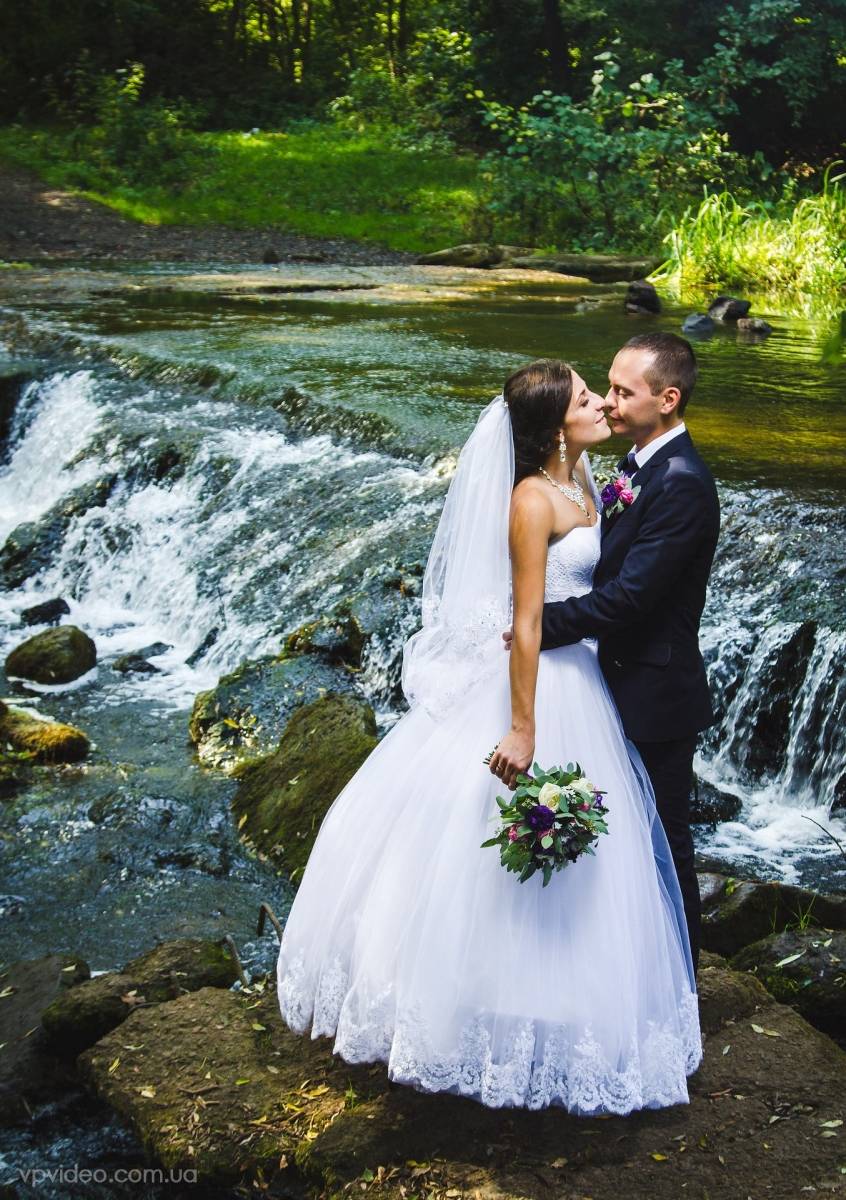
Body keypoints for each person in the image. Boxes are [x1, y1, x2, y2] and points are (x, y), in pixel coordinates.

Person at [276, 358, 702, 1115]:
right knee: (503, 844)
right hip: (543, 683)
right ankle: (482, 1008)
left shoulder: (590, 481)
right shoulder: (531, 499)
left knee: (594, 858)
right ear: (555, 427)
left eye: (606, 393)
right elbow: (527, 621)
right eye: (586, 398)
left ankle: (567, 1005)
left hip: (588, 684)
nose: (602, 404)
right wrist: (523, 726)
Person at [506, 333, 720, 976]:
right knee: (622, 839)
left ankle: (682, 984)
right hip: (605, 682)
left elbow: (630, 597)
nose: (608, 402)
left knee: (665, 844)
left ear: (668, 399)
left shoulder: (682, 482)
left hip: (655, 692)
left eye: (624, 392)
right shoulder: (628, 467)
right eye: (605, 388)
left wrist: (539, 626)